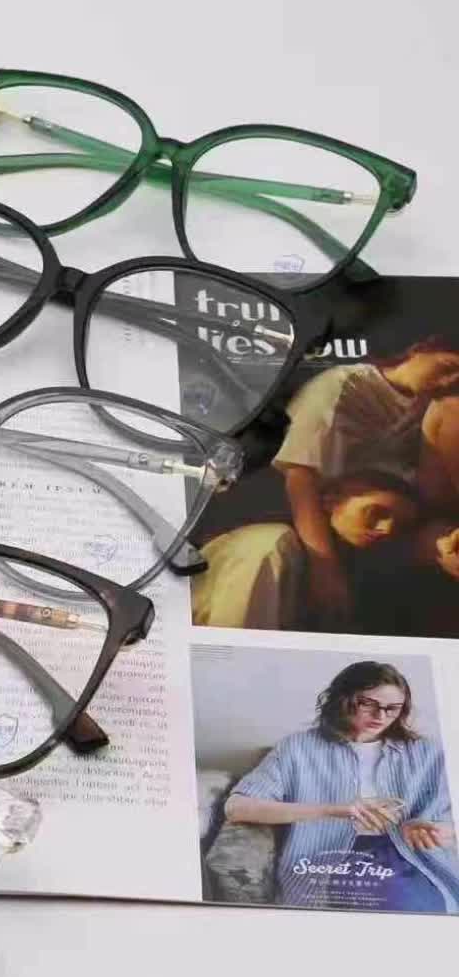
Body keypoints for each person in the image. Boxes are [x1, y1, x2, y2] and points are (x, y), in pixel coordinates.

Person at [225, 661, 459, 913]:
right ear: (342, 698)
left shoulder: (427, 753)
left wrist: (435, 830)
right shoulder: (298, 748)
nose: (381, 716)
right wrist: (334, 810)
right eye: (368, 704)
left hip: (409, 856)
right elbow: (236, 808)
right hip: (327, 856)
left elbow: (449, 821)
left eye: (392, 708)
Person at [273, 338, 459, 623]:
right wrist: (325, 566)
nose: (449, 380)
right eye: (448, 367)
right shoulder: (342, 385)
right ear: (419, 349)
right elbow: (300, 477)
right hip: (347, 514)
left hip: (408, 511)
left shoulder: (428, 402)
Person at [191, 470, 427, 630]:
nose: (386, 529)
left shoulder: (357, 587)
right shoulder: (271, 545)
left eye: (401, 527)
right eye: (377, 513)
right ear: (332, 499)